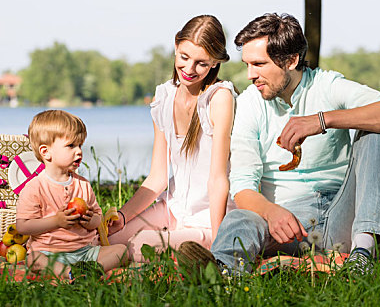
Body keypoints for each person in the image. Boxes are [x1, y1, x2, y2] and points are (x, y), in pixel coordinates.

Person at [179, 13, 380, 275]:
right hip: (286, 225)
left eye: (258, 64)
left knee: (377, 130)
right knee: (239, 217)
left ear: (291, 60)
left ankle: (362, 254)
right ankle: (220, 273)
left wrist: (323, 120)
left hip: (343, 216)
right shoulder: (248, 104)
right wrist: (271, 212)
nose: (250, 75)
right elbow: (243, 187)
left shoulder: (326, 85)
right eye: (247, 64)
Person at [105, 15, 237, 262]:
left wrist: (221, 245)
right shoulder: (164, 97)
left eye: (201, 63)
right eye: (184, 57)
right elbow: (157, 178)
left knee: (141, 245)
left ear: (215, 63)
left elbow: (218, 179)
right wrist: (122, 217)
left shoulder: (219, 98)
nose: (189, 69)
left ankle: (201, 249)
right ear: (176, 46)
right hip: (173, 209)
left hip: (208, 219)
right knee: (108, 239)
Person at [16, 110, 127, 279]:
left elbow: (98, 218)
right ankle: (69, 273)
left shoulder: (83, 184)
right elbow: (23, 226)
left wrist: (91, 221)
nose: (79, 151)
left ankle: (86, 272)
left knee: (122, 251)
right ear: (46, 152)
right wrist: (56, 221)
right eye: (71, 146)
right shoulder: (35, 187)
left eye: (80, 145)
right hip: (50, 253)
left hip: (85, 251)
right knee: (33, 259)